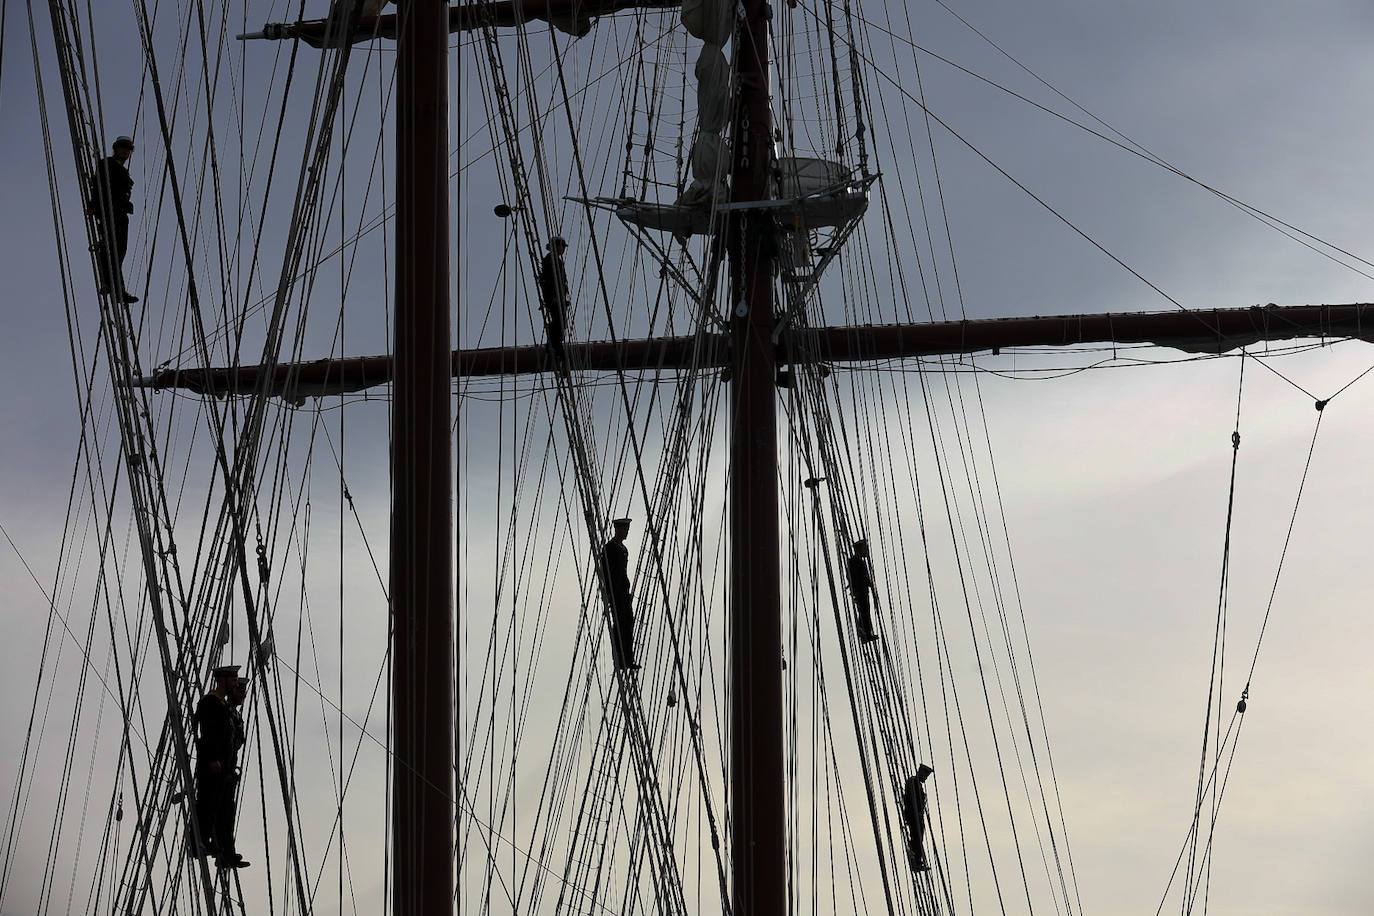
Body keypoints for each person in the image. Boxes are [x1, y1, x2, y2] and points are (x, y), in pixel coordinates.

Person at [193, 665, 249, 869]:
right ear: (223, 680)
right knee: (207, 805)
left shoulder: (225, 709)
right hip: (213, 766)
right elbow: (207, 734)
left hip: (226, 769)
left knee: (226, 812)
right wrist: (212, 760)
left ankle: (227, 853)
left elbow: (231, 740)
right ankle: (199, 841)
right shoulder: (210, 703)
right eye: (234, 682)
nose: (236, 686)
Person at [86, 136, 139, 304]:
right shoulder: (106, 164)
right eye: (122, 148)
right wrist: (93, 204)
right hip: (109, 210)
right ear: (116, 149)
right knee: (111, 248)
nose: (125, 151)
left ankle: (115, 287)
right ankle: (111, 286)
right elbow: (97, 183)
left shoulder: (123, 171)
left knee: (120, 251)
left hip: (121, 213)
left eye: (128, 149)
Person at [598, 517, 640, 670]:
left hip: (623, 592)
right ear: (618, 530)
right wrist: (608, 593)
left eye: (627, 530)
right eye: (625, 530)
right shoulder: (610, 548)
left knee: (628, 623)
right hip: (615, 593)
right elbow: (605, 571)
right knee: (619, 626)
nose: (627, 532)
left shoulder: (623, 549)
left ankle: (628, 659)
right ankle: (620, 659)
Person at [538, 236, 570, 360]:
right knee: (559, 321)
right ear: (557, 246)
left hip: (557, 296)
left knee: (560, 321)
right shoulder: (551, 260)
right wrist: (555, 296)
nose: (563, 249)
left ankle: (554, 344)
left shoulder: (554, 259)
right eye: (562, 246)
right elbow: (551, 279)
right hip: (555, 296)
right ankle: (554, 345)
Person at [901, 764, 934, 873]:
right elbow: (911, 799)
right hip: (914, 816)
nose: (926, 778)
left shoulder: (915, 783)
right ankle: (916, 860)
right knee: (917, 837)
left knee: (918, 837)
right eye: (925, 775)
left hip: (916, 816)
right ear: (921, 772)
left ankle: (917, 859)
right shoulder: (913, 782)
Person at [848, 539, 878, 643]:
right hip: (860, 592)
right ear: (860, 549)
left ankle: (866, 633)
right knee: (864, 612)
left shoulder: (858, 561)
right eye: (865, 548)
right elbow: (853, 577)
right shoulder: (854, 561)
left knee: (865, 612)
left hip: (863, 591)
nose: (867, 551)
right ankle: (866, 634)